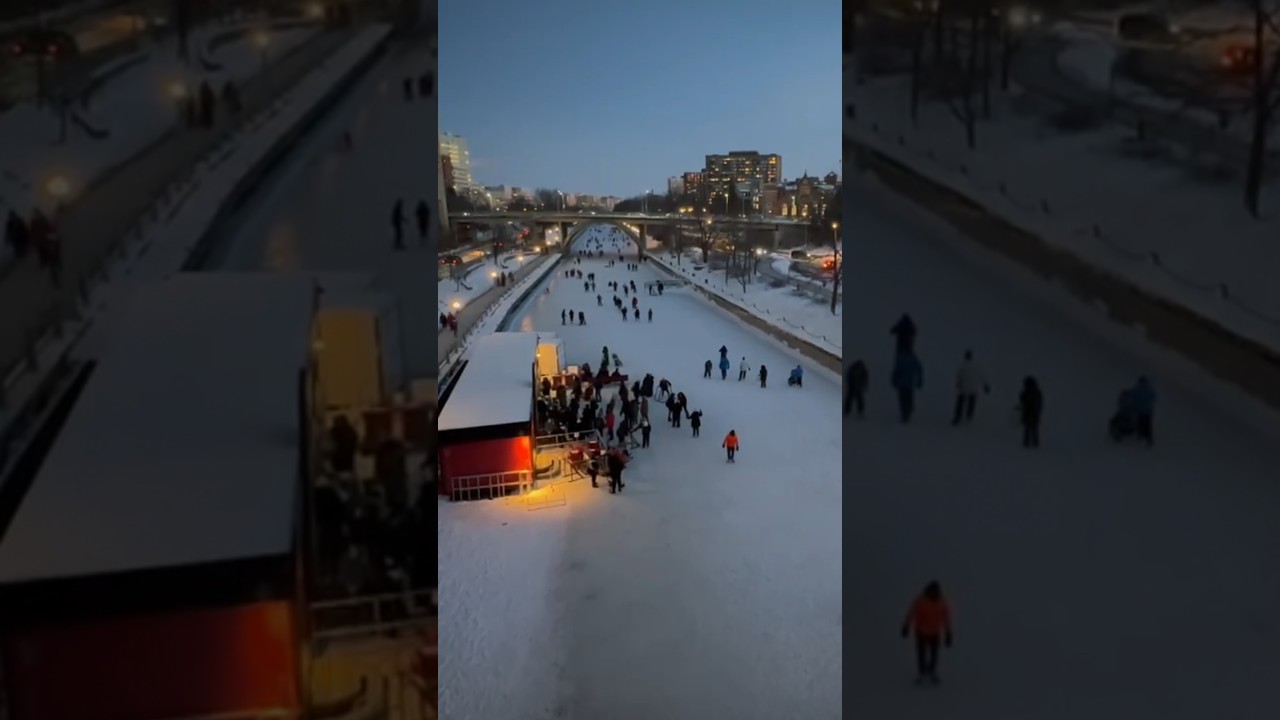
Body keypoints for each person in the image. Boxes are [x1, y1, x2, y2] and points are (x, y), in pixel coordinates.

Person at [900, 581, 953, 684]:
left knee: (934, 654)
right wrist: (906, 626)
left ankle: (932, 671)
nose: (934, 594)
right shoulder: (921, 601)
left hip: (935, 632)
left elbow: (946, 618)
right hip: (921, 632)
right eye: (932, 592)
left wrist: (948, 633)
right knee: (921, 653)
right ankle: (922, 672)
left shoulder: (942, 602)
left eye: (936, 592)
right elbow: (911, 613)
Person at [952, 350, 989, 426]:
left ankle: (958, 417)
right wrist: (986, 386)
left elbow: (959, 377)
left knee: (960, 402)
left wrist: (958, 384)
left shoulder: (962, 366)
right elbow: (982, 377)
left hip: (963, 388)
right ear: (971, 357)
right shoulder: (976, 366)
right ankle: (969, 416)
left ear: (965, 357)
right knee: (971, 403)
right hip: (973, 388)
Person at [892, 352, 924, 423]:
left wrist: (894, 379)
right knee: (906, 398)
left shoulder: (901, 358)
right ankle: (907, 412)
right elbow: (919, 368)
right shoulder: (912, 358)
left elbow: (896, 369)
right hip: (907, 382)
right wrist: (920, 380)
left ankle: (906, 412)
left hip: (904, 383)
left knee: (904, 399)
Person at [1017, 376, 1044, 448]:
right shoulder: (1036, 392)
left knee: (1029, 429)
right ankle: (1033, 443)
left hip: (1030, 412)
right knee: (1032, 428)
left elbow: (1024, 402)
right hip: (1032, 413)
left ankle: (1029, 443)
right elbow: (1039, 404)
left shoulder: (1028, 392)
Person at [1131, 376, 1156, 445]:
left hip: (1139, 410)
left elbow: (1133, 398)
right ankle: (1149, 439)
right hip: (1148, 410)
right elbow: (1153, 397)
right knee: (1148, 425)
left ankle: (1140, 435)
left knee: (1140, 423)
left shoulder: (1136, 388)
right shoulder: (1150, 388)